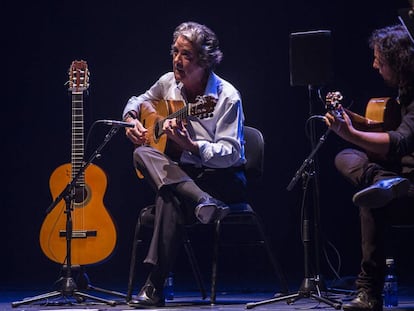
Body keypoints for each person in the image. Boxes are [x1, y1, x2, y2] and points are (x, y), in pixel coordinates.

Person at [122, 21, 247, 308]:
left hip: (221, 178)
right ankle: (201, 200)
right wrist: (131, 121)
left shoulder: (225, 97)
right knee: (141, 153)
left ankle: (154, 286)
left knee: (169, 195)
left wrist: (193, 145)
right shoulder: (168, 83)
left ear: (204, 60)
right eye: (175, 52)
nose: (178, 60)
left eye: (187, 54)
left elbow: (232, 153)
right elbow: (138, 99)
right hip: (187, 177)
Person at [324, 24, 414, 311]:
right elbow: (382, 128)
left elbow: (400, 141)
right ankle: (381, 181)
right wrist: (348, 120)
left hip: (411, 183)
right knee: (346, 157)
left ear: (398, 61)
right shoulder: (403, 90)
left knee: (371, 201)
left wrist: (350, 132)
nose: (374, 65)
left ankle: (369, 294)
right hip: (394, 176)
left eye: (380, 59)